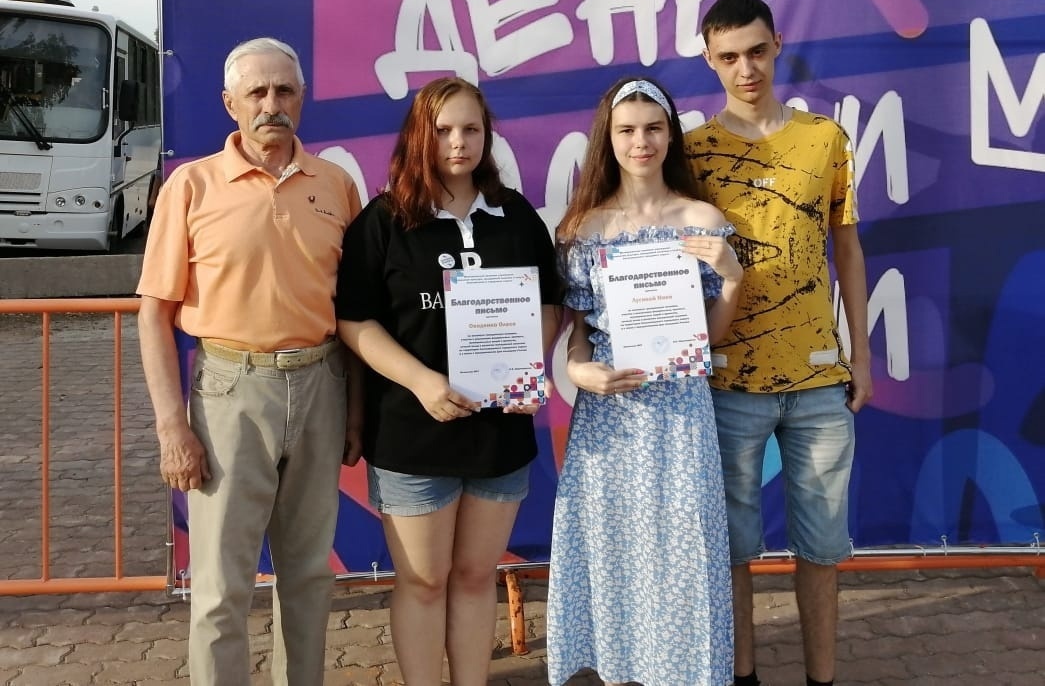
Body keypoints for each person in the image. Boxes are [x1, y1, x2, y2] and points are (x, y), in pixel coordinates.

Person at [136, 37, 363, 686]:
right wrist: (171, 427)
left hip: (322, 384)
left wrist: (357, 410)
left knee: (310, 576)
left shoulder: (336, 185)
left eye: (284, 90)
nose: (272, 104)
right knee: (219, 587)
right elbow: (153, 314)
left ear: (302, 98)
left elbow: (354, 308)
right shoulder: (191, 186)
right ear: (229, 103)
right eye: (256, 92)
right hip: (229, 392)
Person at [334, 76, 562, 686]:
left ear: (487, 136)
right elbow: (355, 320)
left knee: (475, 576)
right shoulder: (385, 220)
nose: (458, 142)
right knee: (424, 580)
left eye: (471, 129)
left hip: (499, 434)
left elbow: (548, 304)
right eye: (442, 130)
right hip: (413, 434)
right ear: (419, 136)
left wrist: (525, 366)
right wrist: (422, 382)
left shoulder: (515, 216)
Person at [685, 0, 873, 686]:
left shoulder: (826, 139)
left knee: (821, 549)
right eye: (729, 56)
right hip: (725, 382)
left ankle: (822, 679)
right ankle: (742, 677)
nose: (746, 69)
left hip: (820, 381)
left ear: (778, 45)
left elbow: (847, 249)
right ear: (709, 59)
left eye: (757, 52)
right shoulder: (689, 152)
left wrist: (862, 356)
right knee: (731, 549)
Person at [547, 77, 743, 686]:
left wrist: (732, 278)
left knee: (683, 547)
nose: (642, 142)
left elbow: (709, 336)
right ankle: (619, 669)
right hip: (610, 415)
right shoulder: (583, 229)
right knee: (614, 546)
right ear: (607, 138)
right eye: (627, 130)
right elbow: (577, 329)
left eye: (654, 128)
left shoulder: (702, 220)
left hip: (681, 413)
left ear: (671, 135)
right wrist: (577, 369)